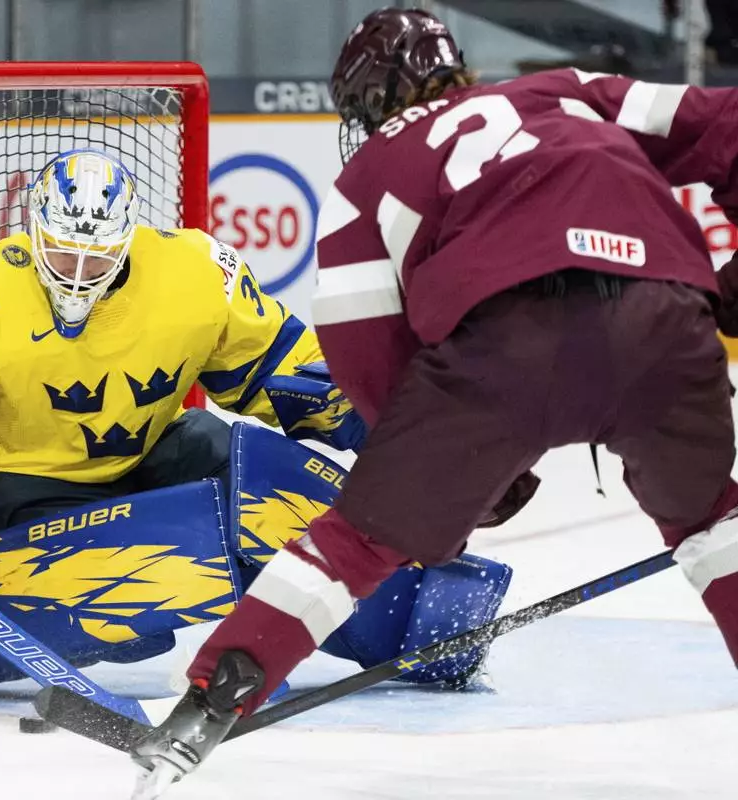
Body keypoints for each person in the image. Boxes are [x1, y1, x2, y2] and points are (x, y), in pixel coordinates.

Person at [131, 6, 738, 792]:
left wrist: (447, 477)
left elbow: (365, 352)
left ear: (375, 94)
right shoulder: (565, 90)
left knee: (355, 540)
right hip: (668, 325)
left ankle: (206, 708)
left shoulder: (367, 177)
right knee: (715, 523)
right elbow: (725, 120)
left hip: (508, 350)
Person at [0, 147, 365, 537]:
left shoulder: (197, 271)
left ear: (125, 241)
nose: (77, 275)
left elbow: (275, 358)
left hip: (147, 458)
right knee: (120, 602)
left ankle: (393, 595)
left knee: (256, 471)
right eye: (61, 252)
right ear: (34, 232)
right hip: (23, 481)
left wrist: (357, 406)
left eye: (96, 256)